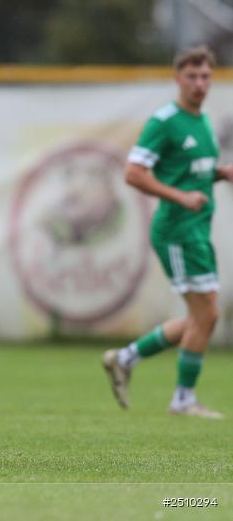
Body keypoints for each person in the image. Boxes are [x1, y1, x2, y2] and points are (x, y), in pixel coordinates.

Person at [102, 45, 233, 418]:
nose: (199, 83)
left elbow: (190, 172)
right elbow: (133, 173)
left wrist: (219, 173)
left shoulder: (202, 122)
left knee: (203, 316)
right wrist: (180, 196)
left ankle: (126, 358)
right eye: (192, 76)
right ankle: (182, 400)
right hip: (176, 231)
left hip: (197, 230)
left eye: (205, 76)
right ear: (178, 79)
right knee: (206, 315)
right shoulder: (164, 122)